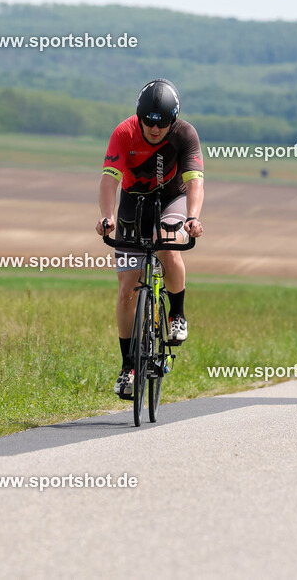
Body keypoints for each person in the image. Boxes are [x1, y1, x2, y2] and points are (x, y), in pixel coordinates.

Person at [95, 78, 204, 399]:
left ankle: (177, 313)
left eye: (162, 123)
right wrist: (107, 216)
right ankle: (128, 366)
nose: (155, 129)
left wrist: (193, 217)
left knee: (166, 243)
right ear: (139, 117)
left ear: (174, 120)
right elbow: (108, 180)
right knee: (126, 290)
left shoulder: (185, 134)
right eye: (149, 122)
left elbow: (195, 182)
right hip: (134, 204)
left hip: (172, 200)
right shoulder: (124, 133)